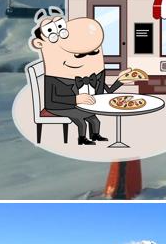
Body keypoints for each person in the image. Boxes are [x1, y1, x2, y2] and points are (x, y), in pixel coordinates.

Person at [29, 8, 129, 145]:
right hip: (59, 106)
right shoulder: (55, 78)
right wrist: (76, 99)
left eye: (94, 52)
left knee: (94, 119)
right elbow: (52, 100)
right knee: (81, 120)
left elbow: (107, 92)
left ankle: (95, 135)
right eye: (78, 55)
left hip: (82, 104)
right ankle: (82, 139)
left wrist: (121, 81)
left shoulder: (95, 75)